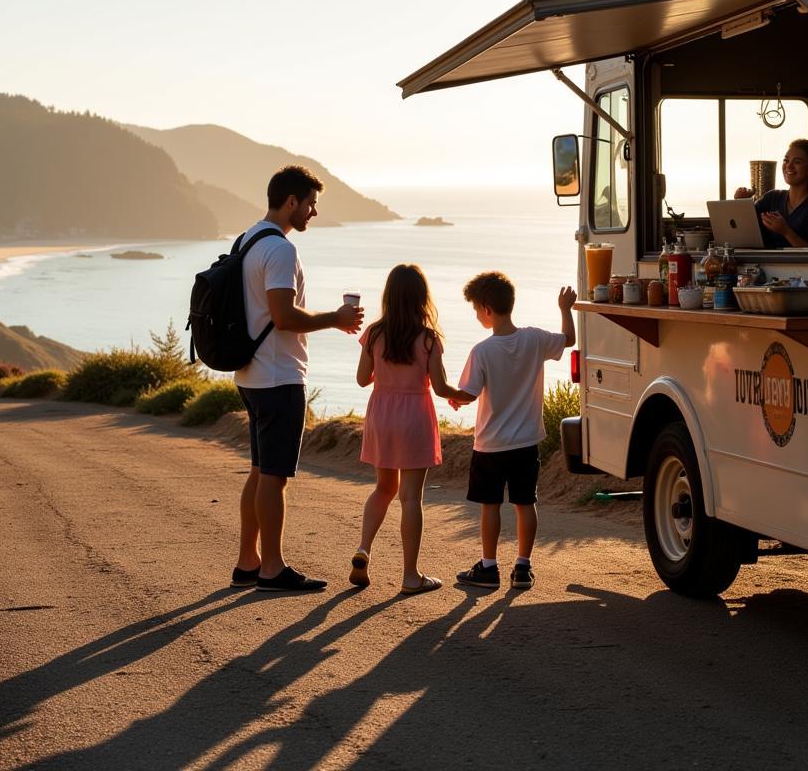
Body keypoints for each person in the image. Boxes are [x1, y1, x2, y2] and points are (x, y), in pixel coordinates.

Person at [232, 165, 364, 593]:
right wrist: (336, 318)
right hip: (278, 376)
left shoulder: (247, 239)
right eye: (309, 204)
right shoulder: (281, 251)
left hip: (251, 373)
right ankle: (272, 568)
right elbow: (284, 316)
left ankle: (247, 562)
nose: (313, 212)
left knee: (258, 472)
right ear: (291, 201)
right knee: (274, 476)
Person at [448, 272, 576, 590]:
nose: (476, 315)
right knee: (524, 503)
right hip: (526, 441)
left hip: (491, 444)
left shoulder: (482, 351)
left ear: (487, 308)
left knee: (490, 505)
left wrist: (448, 393)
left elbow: (470, 393)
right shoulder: (533, 339)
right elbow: (568, 339)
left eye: (476, 309)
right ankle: (522, 568)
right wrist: (564, 309)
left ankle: (489, 568)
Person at [349, 265, 465, 595]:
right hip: (414, 415)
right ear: (421, 298)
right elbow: (441, 388)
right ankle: (410, 576)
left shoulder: (373, 333)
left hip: (382, 414)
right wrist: (461, 396)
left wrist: (385, 376)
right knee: (411, 497)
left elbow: (361, 380)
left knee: (384, 488)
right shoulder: (428, 339)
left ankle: (364, 549)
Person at [733, 139, 808, 247]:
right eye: (786, 160)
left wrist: (786, 231)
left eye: (797, 162)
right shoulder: (772, 198)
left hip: (800, 264)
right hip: (765, 262)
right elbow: (746, 229)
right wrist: (741, 203)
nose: (789, 166)